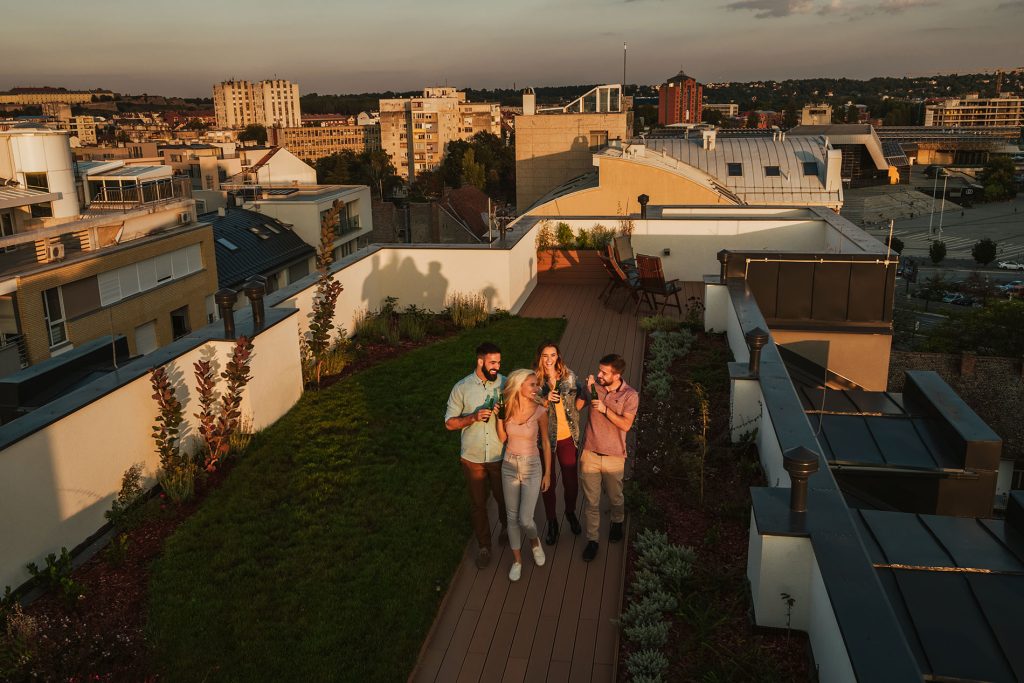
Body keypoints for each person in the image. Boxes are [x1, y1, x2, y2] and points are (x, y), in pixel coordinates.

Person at [445, 342, 508, 569]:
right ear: (480, 361)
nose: (497, 367)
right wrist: (471, 418)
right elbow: (449, 423)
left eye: (499, 363)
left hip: (499, 454)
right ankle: (484, 546)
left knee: (504, 498)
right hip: (472, 457)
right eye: (493, 363)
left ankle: (506, 527)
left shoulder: (505, 383)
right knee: (478, 504)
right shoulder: (461, 388)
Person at [579, 353, 639, 562]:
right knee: (591, 502)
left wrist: (605, 409)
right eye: (599, 370)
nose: (599, 375)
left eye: (604, 372)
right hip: (590, 454)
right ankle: (593, 540)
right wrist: (583, 390)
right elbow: (577, 407)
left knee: (615, 497)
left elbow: (626, 425)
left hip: (614, 456)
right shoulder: (595, 387)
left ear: (617, 374)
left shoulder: (630, 395)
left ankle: (617, 520)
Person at [495, 369, 552, 582]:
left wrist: (547, 473)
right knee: (511, 518)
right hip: (509, 465)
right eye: (532, 384)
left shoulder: (539, 411)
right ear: (519, 386)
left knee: (525, 519)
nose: (537, 388)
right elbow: (502, 438)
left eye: (537, 384)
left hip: (532, 466)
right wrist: (500, 417)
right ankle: (517, 561)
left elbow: (546, 442)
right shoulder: (507, 407)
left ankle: (535, 542)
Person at [533, 341, 586, 545]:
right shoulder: (535, 381)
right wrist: (544, 399)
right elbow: (528, 399)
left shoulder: (569, 376)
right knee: (549, 483)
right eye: (545, 355)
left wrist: (576, 410)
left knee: (571, 482)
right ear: (539, 357)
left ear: (558, 357)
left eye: (553, 355)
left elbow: (582, 394)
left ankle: (570, 512)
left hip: (568, 437)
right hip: (545, 439)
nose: (549, 360)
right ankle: (552, 522)